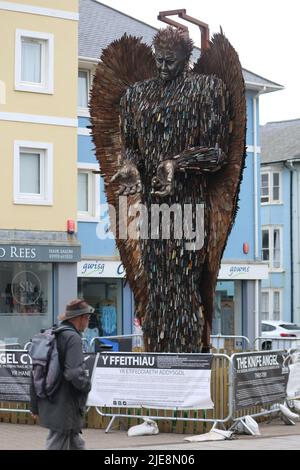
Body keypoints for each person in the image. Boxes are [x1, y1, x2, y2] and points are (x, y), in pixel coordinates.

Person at [110, 27, 230, 353]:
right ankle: (158, 355)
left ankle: (189, 356)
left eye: (171, 63)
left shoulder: (207, 90)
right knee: (156, 283)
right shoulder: (135, 96)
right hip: (152, 209)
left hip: (190, 207)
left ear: (186, 60)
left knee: (184, 282)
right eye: (159, 61)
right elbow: (130, 148)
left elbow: (217, 152)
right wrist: (130, 166)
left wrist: (176, 164)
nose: (163, 68)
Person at [30, 299, 93, 450]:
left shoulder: (53, 334)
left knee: (76, 443)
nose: (88, 321)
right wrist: (87, 385)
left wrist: (34, 405)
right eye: (87, 317)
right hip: (65, 406)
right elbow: (73, 373)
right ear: (80, 318)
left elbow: (35, 372)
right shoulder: (73, 338)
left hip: (52, 400)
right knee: (57, 443)